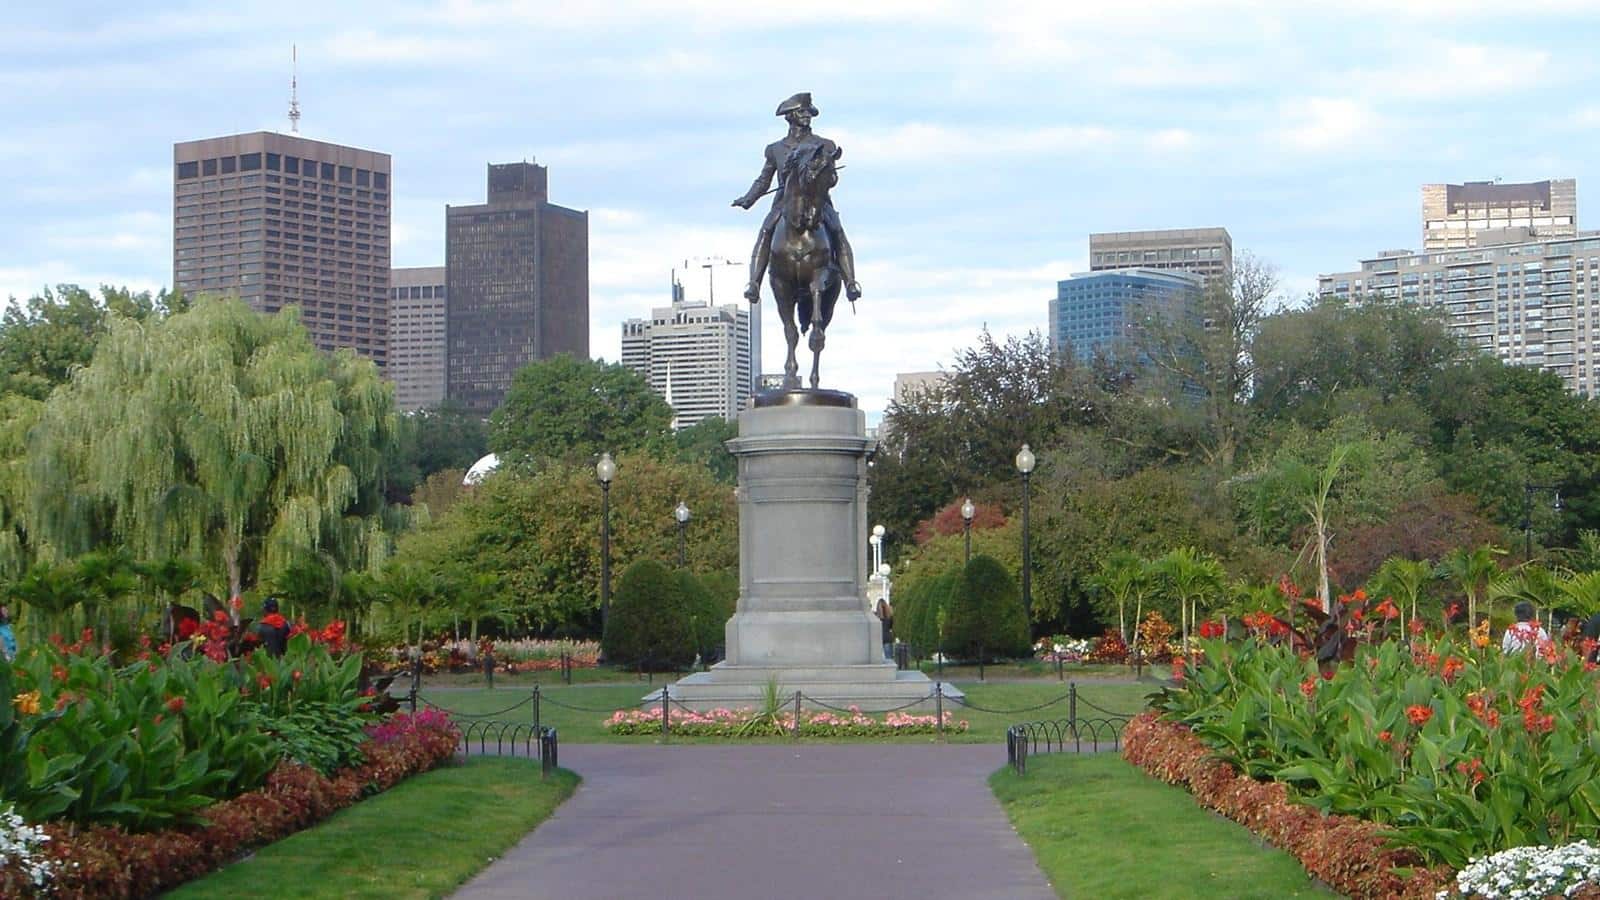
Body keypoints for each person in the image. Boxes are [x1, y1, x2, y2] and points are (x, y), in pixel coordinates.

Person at [732, 92, 862, 304]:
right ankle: (754, 283)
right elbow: (764, 180)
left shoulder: (824, 145)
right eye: (802, 112)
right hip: (785, 202)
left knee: (837, 230)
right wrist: (748, 199)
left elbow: (832, 178)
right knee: (766, 230)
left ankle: (850, 282)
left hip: (818, 201)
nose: (807, 116)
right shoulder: (775, 149)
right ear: (789, 116)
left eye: (809, 112)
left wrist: (827, 177)